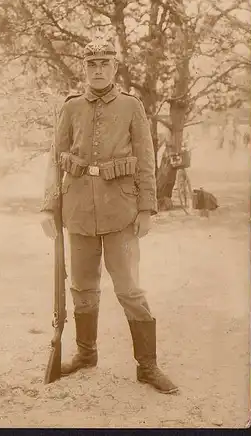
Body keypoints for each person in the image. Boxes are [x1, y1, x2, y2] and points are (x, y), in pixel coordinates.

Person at [41, 39, 178, 394]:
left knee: (129, 289)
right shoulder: (71, 108)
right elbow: (55, 160)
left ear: (115, 68)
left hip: (121, 212)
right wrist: (48, 207)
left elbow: (146, 161)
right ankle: (86, 355)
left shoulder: (132, 106)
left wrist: (146, 208)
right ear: (84, 69)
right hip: (79, 212)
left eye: (104, 63)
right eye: (91, 64)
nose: (98, 69)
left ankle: (147, 367)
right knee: (83, 287)